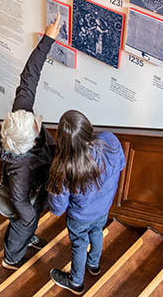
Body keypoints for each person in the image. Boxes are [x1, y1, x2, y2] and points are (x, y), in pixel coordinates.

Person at [0, 15, 60, 270]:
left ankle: (28, 234)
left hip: (40, 183)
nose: (37, 121)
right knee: (23, 224)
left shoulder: (20, 115)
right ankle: (12, 258)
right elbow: (19, 199)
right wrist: (28, 217)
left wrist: (47, 40)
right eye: (36, 126)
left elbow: (29, 77)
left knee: (30, 221)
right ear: (29, 140)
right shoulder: (20, 168)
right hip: (28, 199)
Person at [47, 111, 126, 294]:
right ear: (87, 126)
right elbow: (121, 164)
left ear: (63, 140)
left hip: (80, 217)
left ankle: (76, 282)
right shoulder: (109, 139)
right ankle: (94, 265)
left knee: (79, 245)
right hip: (103, 207)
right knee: (97, 231)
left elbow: (58, 207)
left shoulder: (65, 166)